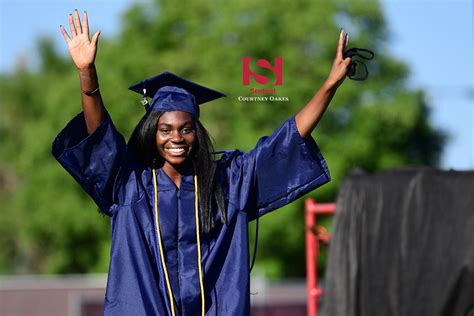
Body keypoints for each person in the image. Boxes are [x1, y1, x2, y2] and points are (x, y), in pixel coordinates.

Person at [53, 9, 351, 316]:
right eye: (165, 130)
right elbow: (101, 135)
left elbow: (284, 142)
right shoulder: (132, 186)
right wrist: (87, 73)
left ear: (198, 132)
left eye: (186, 129)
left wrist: (329, 86)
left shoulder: (227, 183)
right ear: (152, 134)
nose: (176, 138)